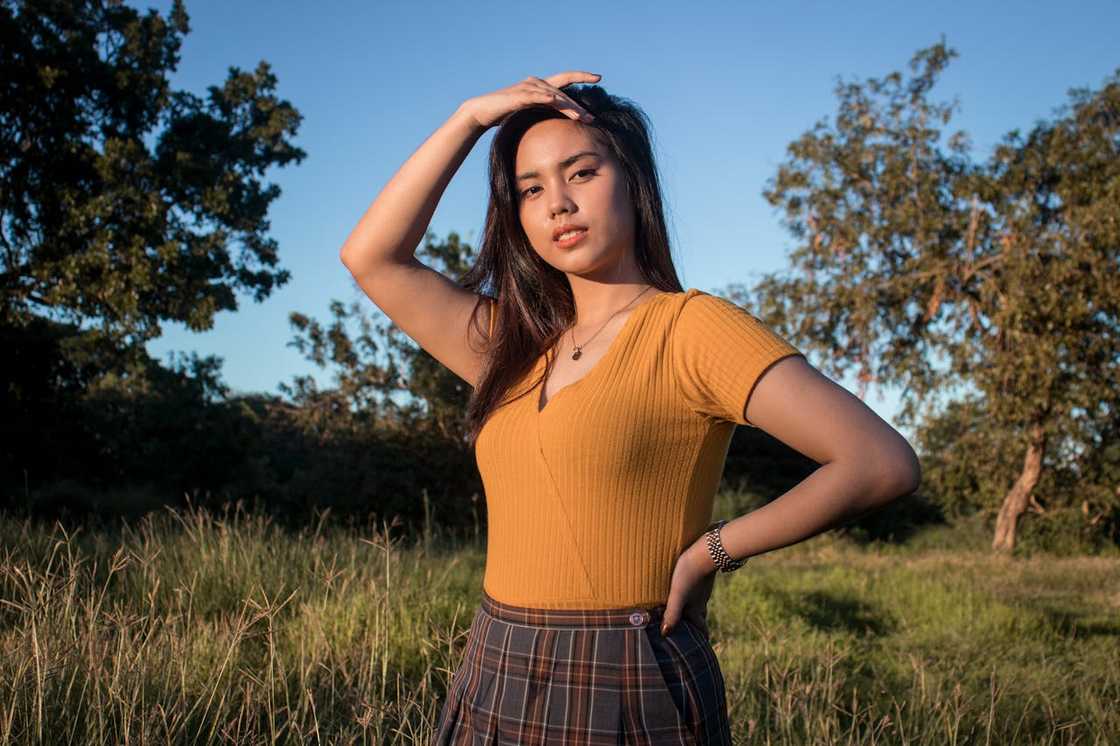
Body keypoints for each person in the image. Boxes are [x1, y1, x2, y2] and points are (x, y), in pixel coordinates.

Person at [340, 71, 921, 745]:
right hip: (496, 658)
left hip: (629, 669)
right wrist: (470, 119)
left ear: (632, 180)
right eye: (531, 189)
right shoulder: (511, 347)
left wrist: (713, 551)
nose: (557, 203)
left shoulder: (692, 329)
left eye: (580, 173)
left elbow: (879, 462)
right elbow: (372, 258)